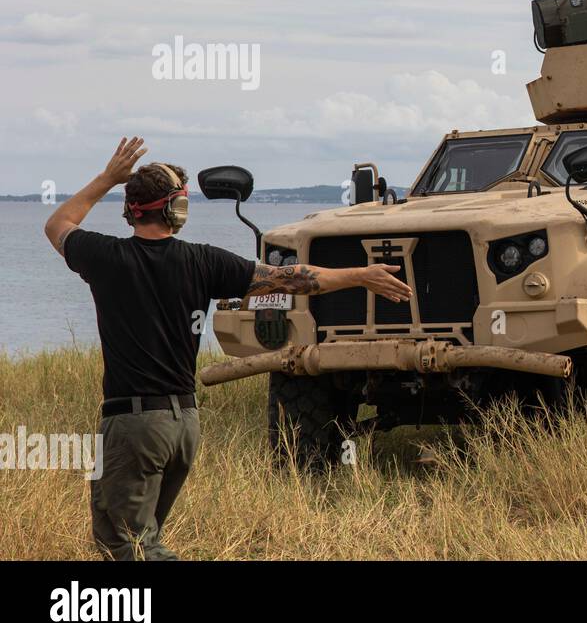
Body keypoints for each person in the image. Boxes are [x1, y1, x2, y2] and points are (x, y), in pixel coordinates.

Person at [44, 137, 413, 560]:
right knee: (144, 541)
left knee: (125, 545)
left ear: (131, 209)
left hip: (134, 423)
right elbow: (291, 277)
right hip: (183, 423)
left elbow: (58, 224)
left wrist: (107, 178)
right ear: (177, 211)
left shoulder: (104, 256)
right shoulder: (205, 261)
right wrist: (360, 275)